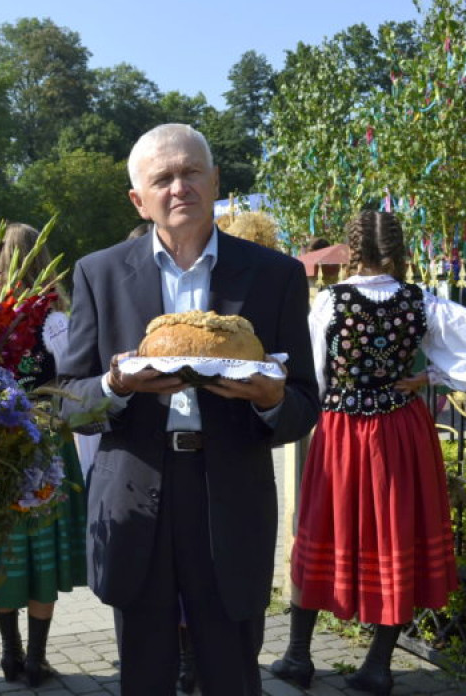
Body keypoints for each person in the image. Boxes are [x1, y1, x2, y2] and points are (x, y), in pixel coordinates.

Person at [59, 123, 320, 696]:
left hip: (230, 492)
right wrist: (115, 385)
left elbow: (305, 404)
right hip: (136, 494)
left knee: (232, 670)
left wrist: (273, 399)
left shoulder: (274, 275)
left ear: (216, 181)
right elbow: (68, 401)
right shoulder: (99, 273)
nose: (179, 187)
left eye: (191, 172)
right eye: (163, 178)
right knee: (144, 674)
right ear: (139, 199)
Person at [272, 210, 466, 695]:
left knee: (322, 527)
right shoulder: (423, 302)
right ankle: (377, 665)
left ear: (353, 250)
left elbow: (312, 373)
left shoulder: (330, 302)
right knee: (397, 533)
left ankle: (298, 657)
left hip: (343, 431)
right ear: (397, 249)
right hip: (402, 429)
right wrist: (433, 376)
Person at [0, 222, 88, 688]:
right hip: (45, 439)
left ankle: (10, 654)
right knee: (40, 548)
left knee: (4, 548)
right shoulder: (54, 320)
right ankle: (34, 659)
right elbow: (72, 377)